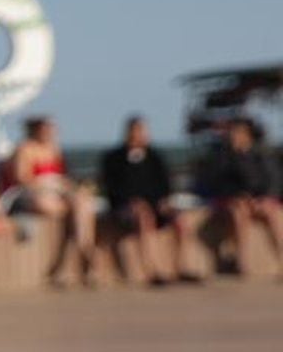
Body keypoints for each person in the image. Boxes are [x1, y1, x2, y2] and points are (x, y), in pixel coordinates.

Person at [99, 116, 202, 286]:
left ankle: (181, 267)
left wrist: (162, 202)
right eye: (137, 131)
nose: (141, 135)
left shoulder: (155, 157)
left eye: (143, 131)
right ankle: (152, 270)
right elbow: (111, 188)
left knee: (181, 220)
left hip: (155, 205)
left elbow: (164, 186)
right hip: (126, 209)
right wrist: (132, 202)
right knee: (144, 216)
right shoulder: (113, 159)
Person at [4, 115, 98, 288]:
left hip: (55, 194)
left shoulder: (53, 148)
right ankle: (85, 253)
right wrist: (48, 183)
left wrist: (63, 186)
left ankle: (70, 258)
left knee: (81, 204)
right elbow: (21, 178)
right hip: (32, 194)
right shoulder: (24, 149)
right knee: (75, 213)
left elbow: (63, 176)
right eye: (46, 130)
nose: (50, 133)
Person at [201, 118, 283, 279]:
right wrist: (238, 195)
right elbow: (218, 182)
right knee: (239, 213)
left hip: (260, 198)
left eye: (238, 134)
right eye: (233, 134)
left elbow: (273, 179)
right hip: (235, 200)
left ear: (248, 135)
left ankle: (281, 257)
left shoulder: (261, 154)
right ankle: (242, 261)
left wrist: (262, 198)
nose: (234, 137)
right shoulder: (224, 156)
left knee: (272, 213)